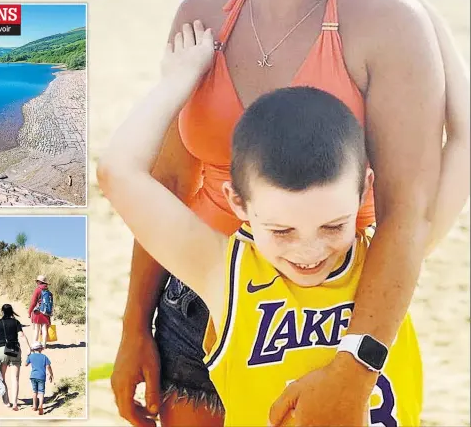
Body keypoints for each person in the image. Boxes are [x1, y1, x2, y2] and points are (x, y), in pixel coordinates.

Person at [102, 0, 469, 423]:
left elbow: (409, 215)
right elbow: (168, 182)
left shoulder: (389, 27)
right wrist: (135, 325)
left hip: (334, 316)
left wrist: (357, 364)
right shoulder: (200, 16)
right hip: (197, 300)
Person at [98, 21, 468, 426]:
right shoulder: (225, 274)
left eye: (332, 227)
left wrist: (423, 20)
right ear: (237, 203)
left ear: (365, 192)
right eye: (281, 231)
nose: (308, 252)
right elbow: (118, 173)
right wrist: (180, 80)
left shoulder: (388, 264)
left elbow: (464, 139)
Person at [0, 304, 32, 412]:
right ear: (12, 311)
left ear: (2, 312)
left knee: (2, 377)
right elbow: (21, 335)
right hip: (14, 350)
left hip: (2, 350)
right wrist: (29, 348)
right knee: (15, 379)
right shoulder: (16, 322)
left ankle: (7, 401)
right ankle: (15, 404)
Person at [26, 341, 54, 415]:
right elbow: (48, 366)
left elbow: (25, 364)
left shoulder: (31, 356)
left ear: (33, 349)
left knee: (35, 391)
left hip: (33, 376)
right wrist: (51, 375)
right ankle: (40, 405)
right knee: (41, 392)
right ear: (41, 349)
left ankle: (34, 406)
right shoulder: (44, 357)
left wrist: (28, 355)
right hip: (41, 376)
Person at [29, 275, 53, 349]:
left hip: (37, 312)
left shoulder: (37, 290)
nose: (36, 283)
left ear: (39, 282)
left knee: (37, 329)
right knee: (44, 329)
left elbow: (33, 302)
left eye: (37, 281)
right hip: (45, 312)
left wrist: (29, 311)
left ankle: (35, 344)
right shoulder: (48, 291)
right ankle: (44, 345)